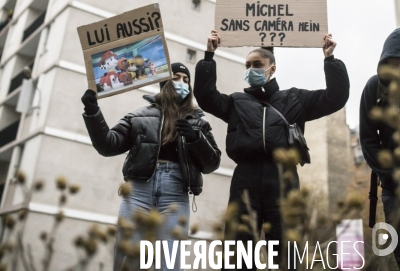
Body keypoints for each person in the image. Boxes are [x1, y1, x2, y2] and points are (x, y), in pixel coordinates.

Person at [194, 30, 349, 269]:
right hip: (245, 179)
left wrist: (330, 59)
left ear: (272, 69)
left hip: (283, 180)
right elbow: (205, 96)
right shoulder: (236, 102)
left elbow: (336, 97)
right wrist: (209, 55)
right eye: (247, 65)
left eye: (257, 64)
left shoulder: (295, 99)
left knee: (286, 253)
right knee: (239, 252)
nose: (251, 69)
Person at [81, 62, 221, 271]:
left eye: (186, 80)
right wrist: (93, 111)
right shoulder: (138, 116)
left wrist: (196, 139)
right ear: (165, 82)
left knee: (171, 263)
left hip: (175, 193)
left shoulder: (199, 123)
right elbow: (107, 145)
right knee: (128, 258)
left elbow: (212, 164)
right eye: (176, 78)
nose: (182, 83)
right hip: (138, 192)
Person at [360, 28, 400, 269]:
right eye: (391, 64)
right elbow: (367, 140)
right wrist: (390, 175)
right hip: (392, 189)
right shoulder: (374, 87)